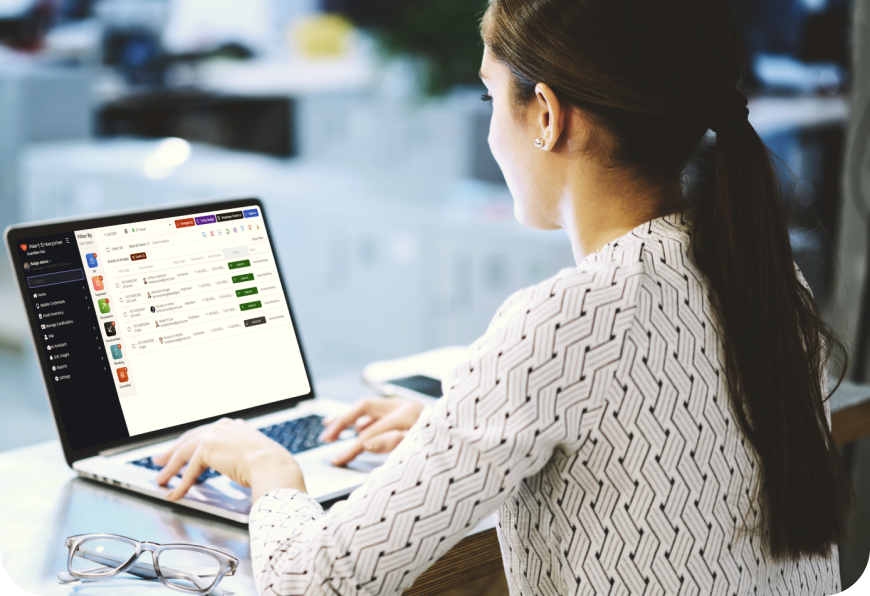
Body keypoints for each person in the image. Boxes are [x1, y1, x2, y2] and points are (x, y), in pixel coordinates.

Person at [153, 1, 852, 594]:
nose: (490, 126)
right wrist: (454, 422)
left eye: (492, 97)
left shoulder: (564, 321)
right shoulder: (765, 278)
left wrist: (268, 466)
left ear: (546, 115)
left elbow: (310, 582)